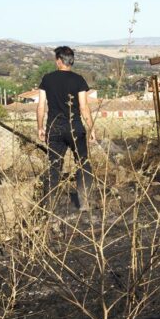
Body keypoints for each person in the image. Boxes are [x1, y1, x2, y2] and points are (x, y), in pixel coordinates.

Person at [37, 46, 96, 211]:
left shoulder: (47, 79)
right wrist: (92, 129)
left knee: (54, 166)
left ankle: (50, 206)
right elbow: (84, 107)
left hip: (54, 128)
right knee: (83, 163)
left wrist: (40, 127)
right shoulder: (78, 80)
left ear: (58, 61)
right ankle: (85, 203)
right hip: (75, 128)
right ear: (71, 61)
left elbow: (41, 106)